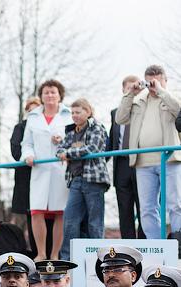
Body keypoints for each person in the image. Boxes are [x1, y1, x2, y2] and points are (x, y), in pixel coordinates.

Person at [115, 65, 181, 240]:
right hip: (143, 162)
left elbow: (178, 111)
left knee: (175, 204)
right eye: (150, 81)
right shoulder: (138, 100)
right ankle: (157, 245)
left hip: (169, 159)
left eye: (158, 81)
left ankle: (179, 240)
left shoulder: (172, 98)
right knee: (147, 208)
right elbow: (120, 118)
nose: (152, 85)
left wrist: (160, 91)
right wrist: (130, 93)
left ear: (165, 81)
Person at [21, 79, 73, 260]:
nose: (50, 95)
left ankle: (55, 254)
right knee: (37, 211)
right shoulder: (33, 117)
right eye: (46, 92)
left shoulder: (68, 115)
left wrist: (63, 142)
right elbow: (26, 143)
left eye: (53, 92)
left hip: (61, 169)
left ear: (60, 95)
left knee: (60, 212)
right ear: (41, 96)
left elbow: (75, 140)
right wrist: (28, 155)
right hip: (39, 169)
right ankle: (41, 254)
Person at [56, 99, 109, 259]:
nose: (74, 115)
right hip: (75, 180)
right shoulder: (71, 132)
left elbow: (93, 148)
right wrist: (66, 152)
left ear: (88, 112)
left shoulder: (97, 128)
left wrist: (69, 153)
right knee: (70, 221)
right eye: (72, 112)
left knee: (95, 222)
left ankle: (98, 259)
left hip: (93, 180)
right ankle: (66, 259)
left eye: (78, 112)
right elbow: (59, 150)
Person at [109, 76, 145, 239]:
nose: (132, 91)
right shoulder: (115, 113)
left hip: (141, 162)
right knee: (124, 208)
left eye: (135, 88)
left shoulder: (145, 110)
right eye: (129, 88)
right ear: (123, 90)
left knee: (144, 206)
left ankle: (145, 243)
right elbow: (112, 140)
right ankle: (129, 246)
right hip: (121, 164)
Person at [11, 97, 43, 255]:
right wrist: (31, 156)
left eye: (35, 110)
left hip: (46, 177)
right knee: (33, 217)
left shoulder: (48, 127)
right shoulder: (20, 127)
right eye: (29, 111)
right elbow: (16, 151)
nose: (32, 114)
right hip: (27, 179)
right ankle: (37, 254)